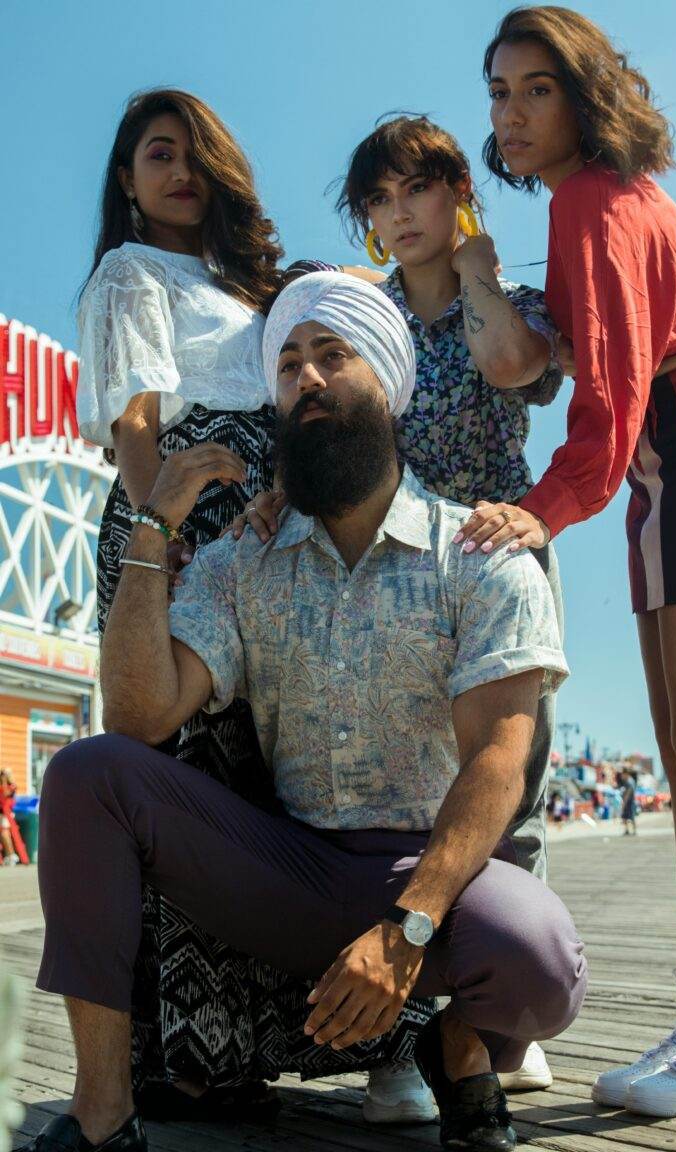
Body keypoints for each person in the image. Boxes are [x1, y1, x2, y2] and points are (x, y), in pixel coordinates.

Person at [23, 272, 586, 1152]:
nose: (308, 378)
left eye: (333, 354)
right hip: (285, 868)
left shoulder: (479, 554)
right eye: (287, 365)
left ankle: (459, 1044)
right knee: (89, 773)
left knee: (541, 959)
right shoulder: (242, 557)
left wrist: (410, 927)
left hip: (427, 874)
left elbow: (498, 764)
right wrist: (153, 522)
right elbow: (140, 715)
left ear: (390, 382)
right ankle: (102, 1119)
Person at [456, 4, 676, 1119]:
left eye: (538, 87)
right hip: (658, 461)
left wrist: (541, 510)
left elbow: (614, 393)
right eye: (500, 92)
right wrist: (488, 276)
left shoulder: (597, 198)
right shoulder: (580, 208)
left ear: (584, 95)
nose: (515, 111)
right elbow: (554, 360)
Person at [78, 87, 408, 1118]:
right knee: (185, 774)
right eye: (155, 155)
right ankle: (180, 1055)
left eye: (193, 153)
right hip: (185, 509)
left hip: (278, 513)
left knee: (271, 769)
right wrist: (159, 533)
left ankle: (260, 1044)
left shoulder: (262, 286)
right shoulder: (131, 271)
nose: (179, 170)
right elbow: (137, 417)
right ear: (127, 184)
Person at [239, 115, 567, 1095]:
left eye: (415, 188)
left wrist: (476, 271)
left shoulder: (506, 297)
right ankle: (405, 1038)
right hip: (396, 573)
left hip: (498, 557)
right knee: (405, 795)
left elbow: (524, 368)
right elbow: (327, 427)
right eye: (378, 200)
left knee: (519, 790)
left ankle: (493, 1017)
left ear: (453, 191)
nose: (398, 212)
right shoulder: (360, 317)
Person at [0, 770, 27, 867]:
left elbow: (6, 794)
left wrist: (4, 781)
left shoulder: (11, 786)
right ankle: (8, 855)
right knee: (4, 835)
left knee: (5, 834)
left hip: (7, 814)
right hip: (2, 814)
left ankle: (11, 855)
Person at [619, 772, 637, 836]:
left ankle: (634, 831)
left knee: (631, 817)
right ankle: (627, 830)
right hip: (627, 803)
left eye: (623, 775)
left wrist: (624, 804)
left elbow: (627, 794)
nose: (621, 776)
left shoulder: (629, 783)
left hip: (629, 803)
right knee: (625, 817)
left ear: (626, 775)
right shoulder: (625, 784)